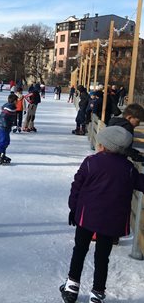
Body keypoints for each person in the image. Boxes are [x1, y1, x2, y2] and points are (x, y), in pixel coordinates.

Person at [60, 126, 144, 303]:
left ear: (104, 146)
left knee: (80, 250)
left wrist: (73, 208)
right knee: (102, 257)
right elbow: (141, 183)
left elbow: (77, 186)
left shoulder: (91, 162)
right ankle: (97, 292)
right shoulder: (128, 168)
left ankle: (72, 286)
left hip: (86, 217)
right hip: (111, 222)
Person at [0, 93, 17, 164]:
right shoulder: (9, 107)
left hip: (5, 127)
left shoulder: (11, 107)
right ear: (14, 101)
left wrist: (13, 125)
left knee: (6, 141)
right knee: (3, 141)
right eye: (17, 100)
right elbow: (4, 117)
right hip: (2, 127)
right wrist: (7, 125)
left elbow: (12, 118)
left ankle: (2, 154)